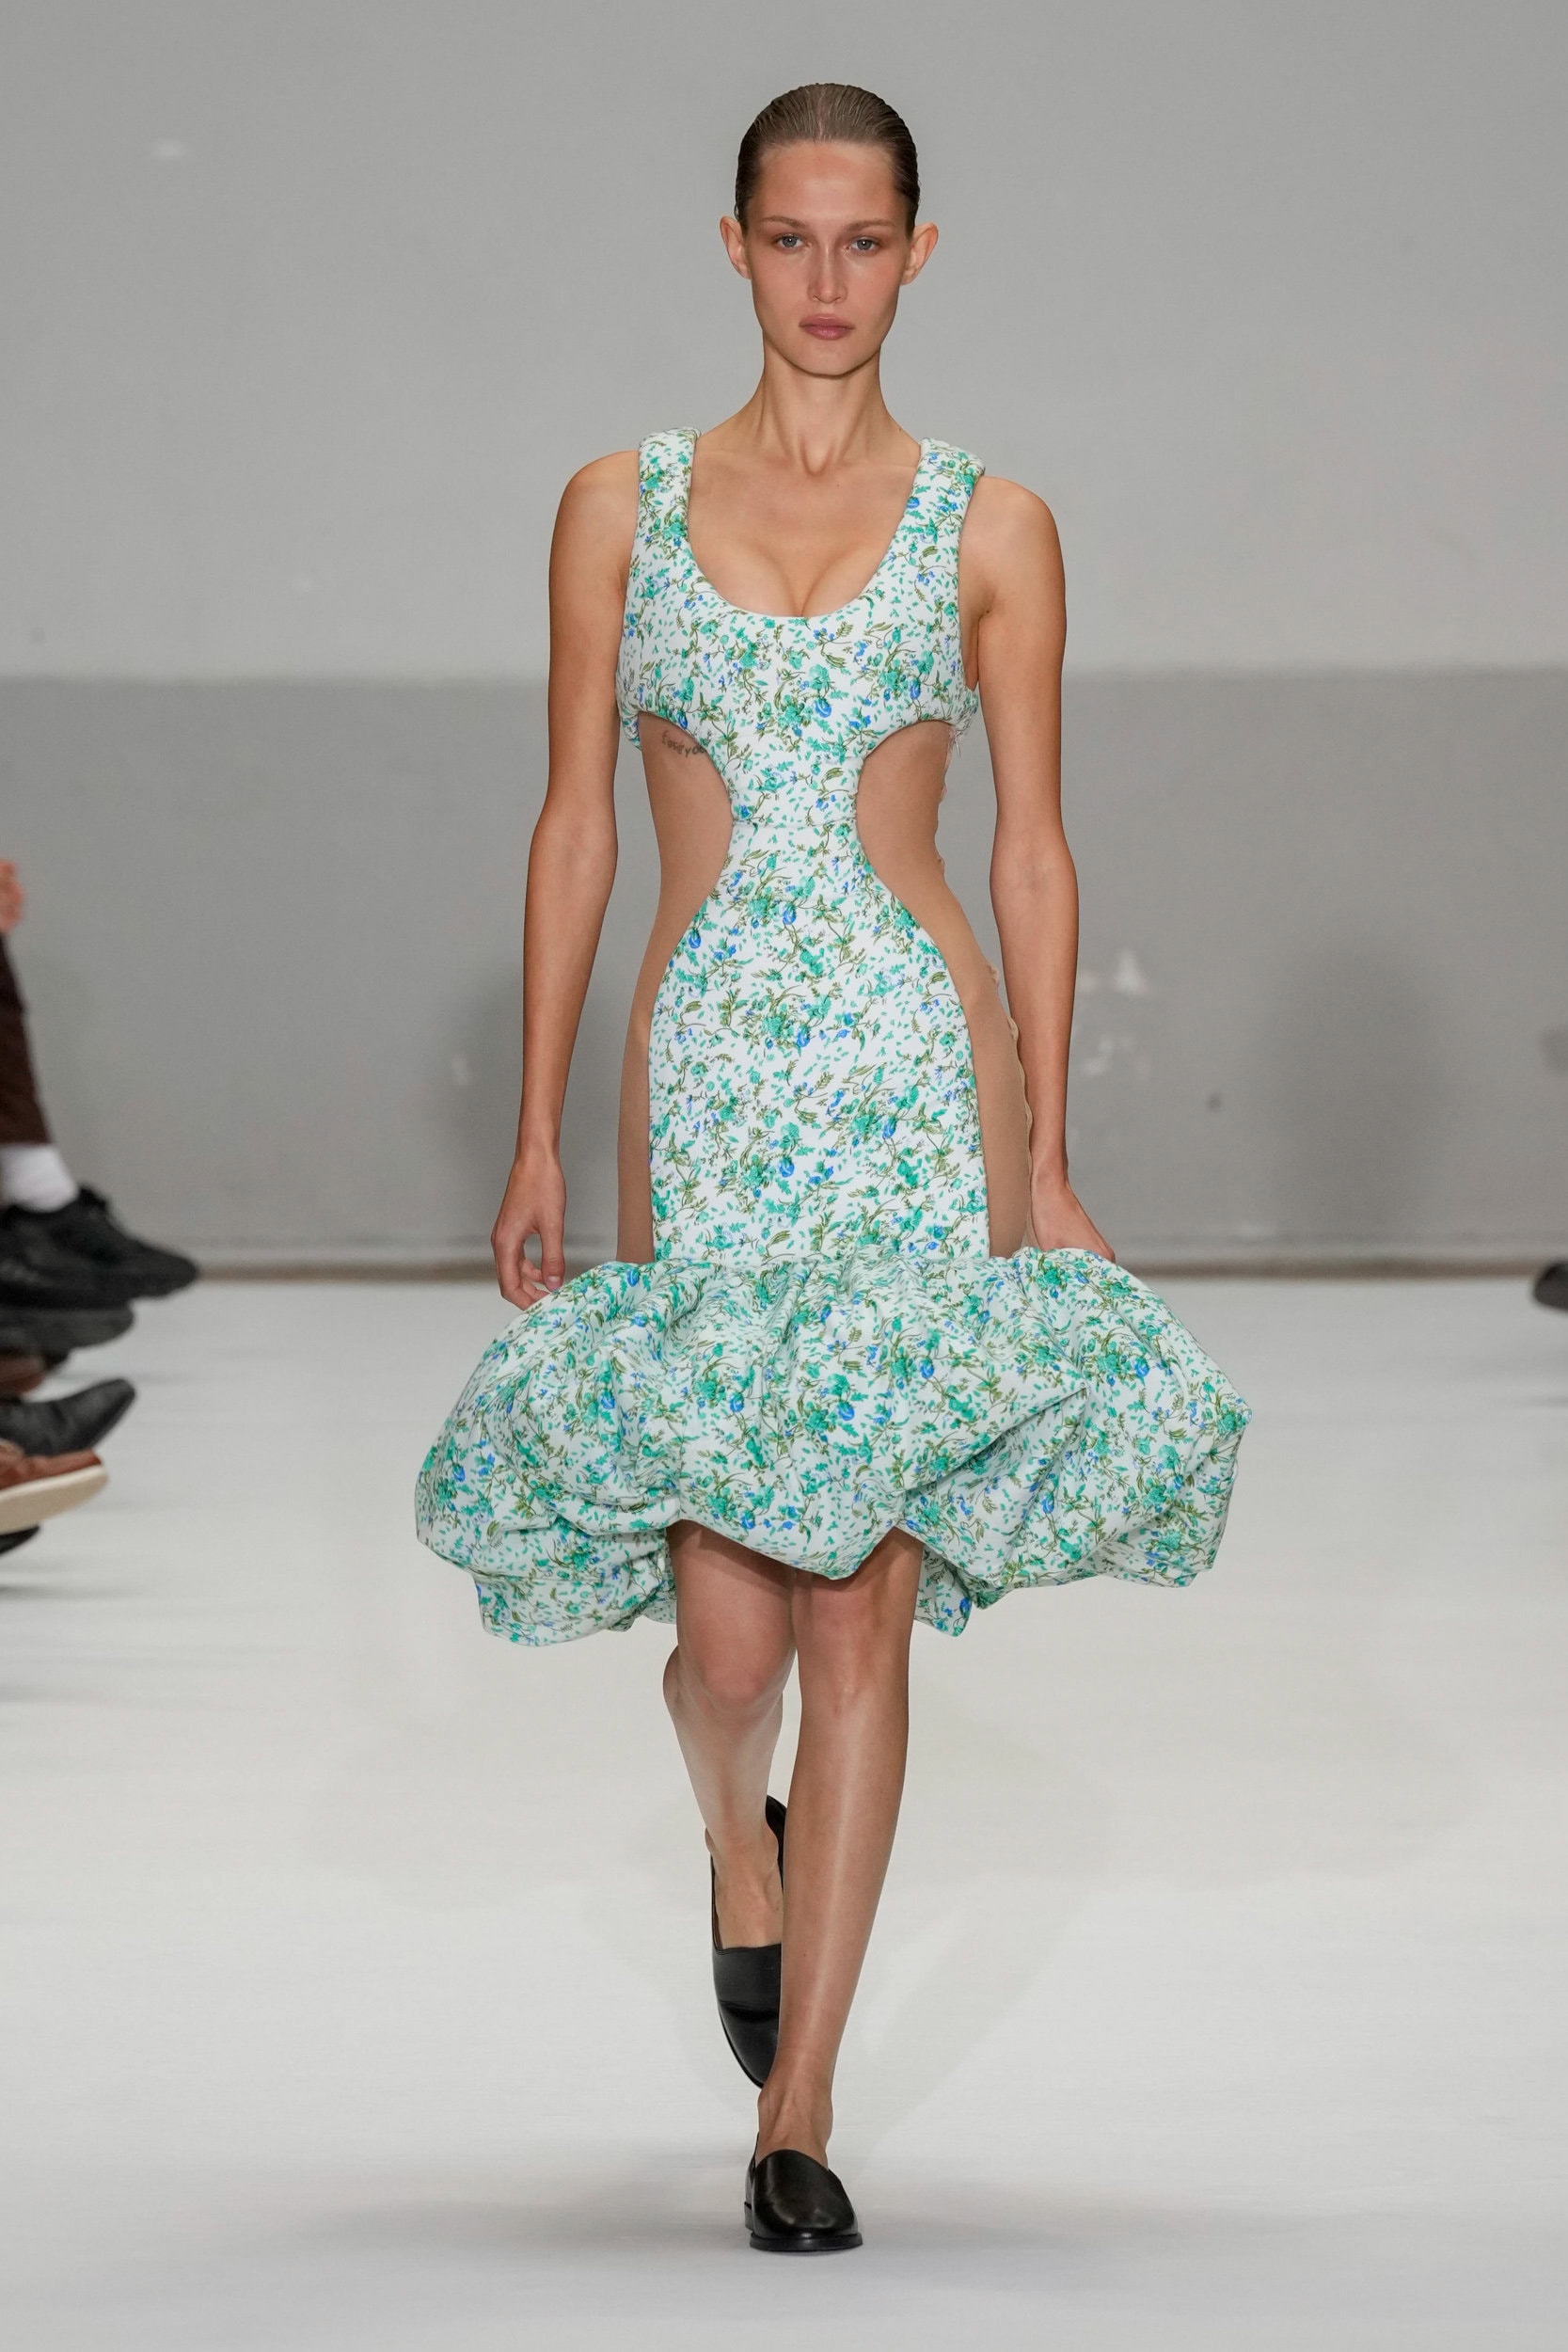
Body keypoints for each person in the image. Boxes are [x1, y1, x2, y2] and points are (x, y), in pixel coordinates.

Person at [417, 84, 1250, 2254]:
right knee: (726, 1641)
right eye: (789, 237)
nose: (824, 278)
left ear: (918, 251)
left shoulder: (994, 524)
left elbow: (1034, 850)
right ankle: (739, 1837)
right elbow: (578, 825)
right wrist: (535, 1121)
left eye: (862, 239)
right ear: (732, 245)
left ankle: (798, 2108)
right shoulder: (619, 504)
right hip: (704, 1091)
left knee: (859, 1602)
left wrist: (1048, 1151)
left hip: (907, 1084)